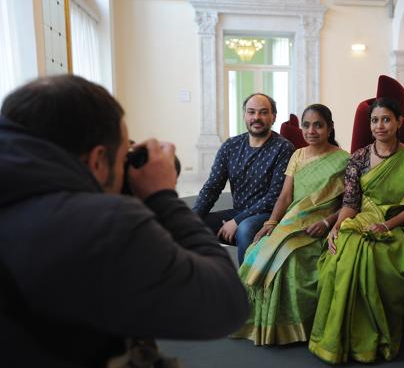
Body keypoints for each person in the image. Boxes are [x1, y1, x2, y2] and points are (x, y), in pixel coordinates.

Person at [0, 75, 249, 368]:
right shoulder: (103, 223)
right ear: (97, 160)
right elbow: (224, 305)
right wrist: (163, 196)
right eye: (121, 160)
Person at [308, 98, 404, 364]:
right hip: (361, 218)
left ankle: (373, 340)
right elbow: (350, 203)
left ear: (399, 122)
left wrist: (386, 225)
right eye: (375, 120)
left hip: (398, 225)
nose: (379, 126)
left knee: (377, 259)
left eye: (386, 119)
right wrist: (336, 227)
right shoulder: (359, 158)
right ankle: (340, 339)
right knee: (342, 252)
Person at [231, 104, 349, 346]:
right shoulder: (297, 155)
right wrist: (272, 222)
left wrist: (327, 223)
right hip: (292, 221)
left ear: (330, 128)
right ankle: (255, 321)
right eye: (306, 125)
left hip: (318, 226)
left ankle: (292, 328)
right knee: (257, 250)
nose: (311, 130)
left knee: (292, 260)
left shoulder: (344, 160)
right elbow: (285, 196)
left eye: (318, 125)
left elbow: (349, 201)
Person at [193, 93, 294, 264]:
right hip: (239, 211)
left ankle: (247, 288)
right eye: (251, 112)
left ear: (273, 117)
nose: (256, 117)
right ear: (244, 115)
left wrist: (237, 221)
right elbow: (212, 187)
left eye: (263, 112)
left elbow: (275, 196)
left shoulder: (284, 148)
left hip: (268, 215)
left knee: (245, 228)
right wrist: (191, 218)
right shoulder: (230, 146)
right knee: (194, 226)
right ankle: (206, 278)